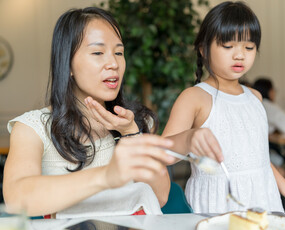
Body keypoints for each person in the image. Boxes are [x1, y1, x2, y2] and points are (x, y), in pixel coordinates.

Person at [3, 7, 177, 218]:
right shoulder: (32, 128)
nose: (113, 64)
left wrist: (131, 133)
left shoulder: (135, 121)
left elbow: (160, 196)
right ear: (68, 64)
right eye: (98, 52)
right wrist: (105, 176)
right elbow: (16, 199)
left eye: (119, 53)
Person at [162, 1, 285, 213]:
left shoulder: (255, 97)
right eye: (228, 46)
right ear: (203, 49)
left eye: (249, 47)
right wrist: (189, 138)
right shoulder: (194, 97)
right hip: (216, 205)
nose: (240, 55)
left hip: (264, 200)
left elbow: (260, 160)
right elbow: (164, 153)